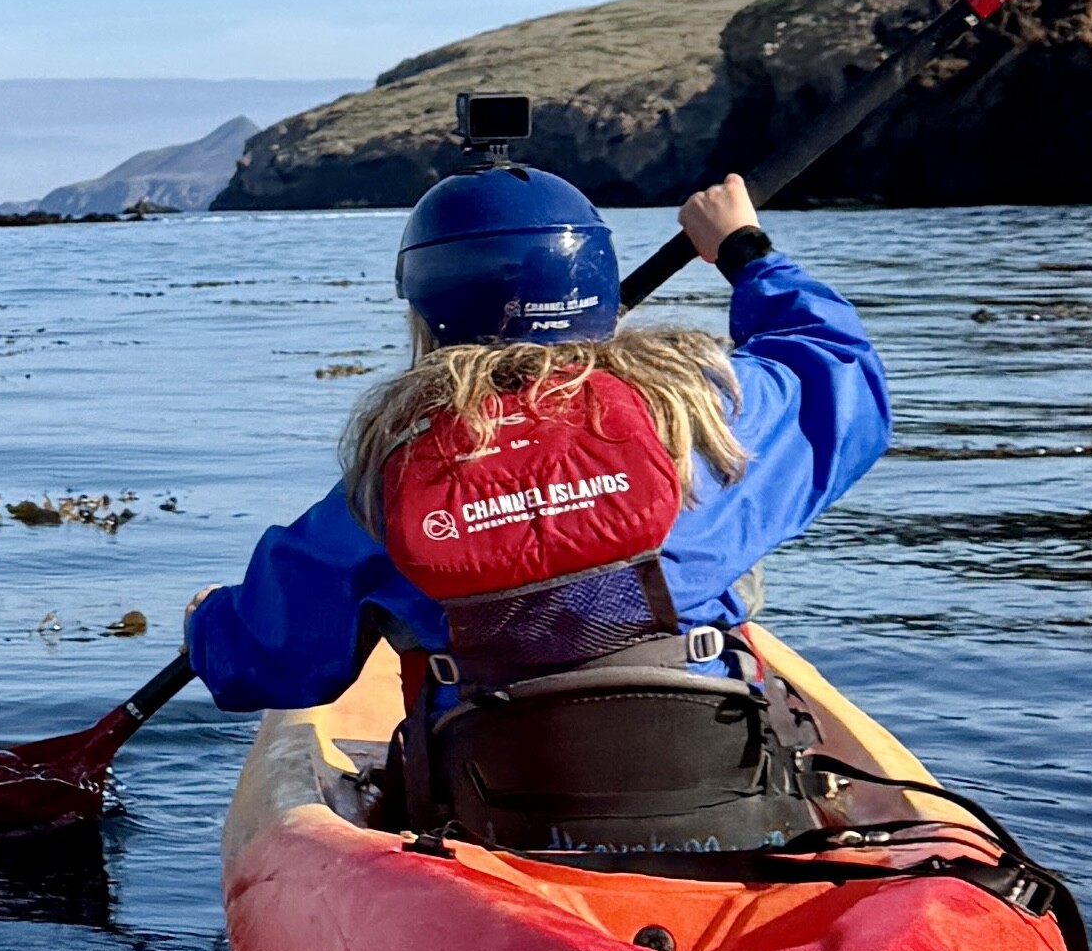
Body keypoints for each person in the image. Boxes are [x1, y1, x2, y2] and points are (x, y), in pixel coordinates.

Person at [179, 155, 892, 850]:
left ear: (425, 306)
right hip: (721, 792)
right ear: (600, 287)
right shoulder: (709, 418)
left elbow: (270, 664)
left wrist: (210, 624)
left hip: (495, 820)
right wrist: (743, 247)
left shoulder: (385, 483)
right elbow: (839, 365)